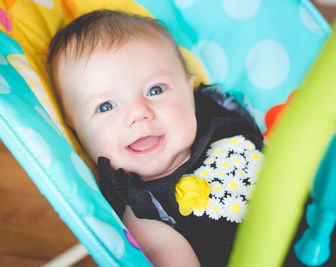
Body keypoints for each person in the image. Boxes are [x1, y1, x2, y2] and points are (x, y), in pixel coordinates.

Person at [48, 10, 264, 266]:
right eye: (106, 106)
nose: (138, 113)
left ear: (189, 89)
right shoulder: (145, 217)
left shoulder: (221, 115)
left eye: (155, 90)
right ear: (76, 130)